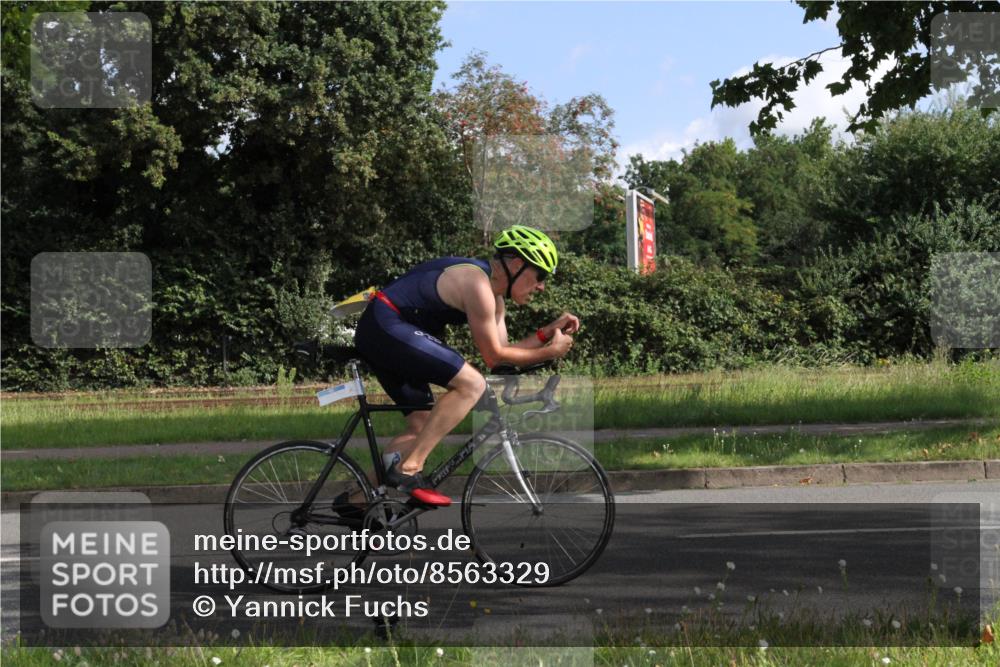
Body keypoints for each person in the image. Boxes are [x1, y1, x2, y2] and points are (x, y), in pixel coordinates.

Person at [352, 225, 580, 506]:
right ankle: (408, 469)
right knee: (472, 384)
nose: (542, 286)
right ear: (517, 265)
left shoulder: (495, 300)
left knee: (422, 427)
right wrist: (550, 352)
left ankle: (355, 501)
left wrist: (547, 332)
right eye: (540, 276)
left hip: (388, 331)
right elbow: (494, 356)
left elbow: (504, 354)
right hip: (386, 325)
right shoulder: (478, 284)